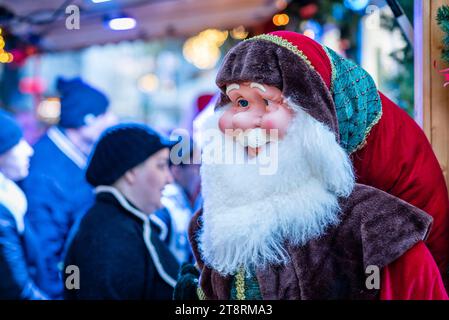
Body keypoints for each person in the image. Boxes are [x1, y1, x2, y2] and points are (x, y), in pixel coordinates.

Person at [177, 31, 448, 300]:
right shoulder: (213, 221)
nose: (244, 121)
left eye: (267, 102)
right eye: (240, 102)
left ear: (312, 117)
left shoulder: (375, 227)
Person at [20, 77, 117, 299]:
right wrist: (68, 292)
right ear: (86, 120)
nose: (112, 119)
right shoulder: (45, 171)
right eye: (104, 114)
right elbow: (48, 253)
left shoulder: (74, 156)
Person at [64, 123, 180, 300]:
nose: (169, 179)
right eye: (161, 166)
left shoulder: (113, 224)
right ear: (131, 172)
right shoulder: (108, 236)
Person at [0, 110, 48, 299]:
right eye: (17, 142)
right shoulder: (3, 212)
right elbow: (17, 290)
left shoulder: (12, 196)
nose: (29, 150)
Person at [161, 136, 202, 264]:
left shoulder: (187, 203)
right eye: (196, 167)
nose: (201, 173)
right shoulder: (165, 207)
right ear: (176, 171)